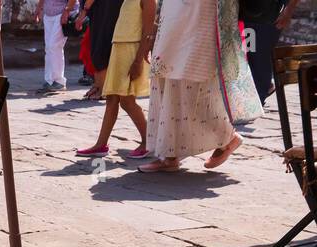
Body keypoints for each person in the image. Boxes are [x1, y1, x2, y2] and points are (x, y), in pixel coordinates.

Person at [142, 0, 261, 172]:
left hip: (200, 23)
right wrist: (152, 33)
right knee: (167, 82)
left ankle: (227, 137)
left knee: (192, 88)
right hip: (171, 22)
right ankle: (169, 155)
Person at [74, 0, 153, 156]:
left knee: (127, 100)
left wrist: (138, 60)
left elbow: (149, 31)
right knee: (112, 98)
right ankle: (101, 144)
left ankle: (148, 141)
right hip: (118, 47)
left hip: (131, 50)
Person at [240, 0, 298, 103]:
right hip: (243, 14)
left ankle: (257, 100)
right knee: (246, 60)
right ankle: (257, 95)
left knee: (259, 62)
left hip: (267, 17)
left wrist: (288, 10)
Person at [35, 0, 70, 92]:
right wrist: (39, 8)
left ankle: (59, 81)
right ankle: (50, 80)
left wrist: (67, 11)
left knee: (54, 46)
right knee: (49, 47)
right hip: (49, 14)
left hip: (61, 13)